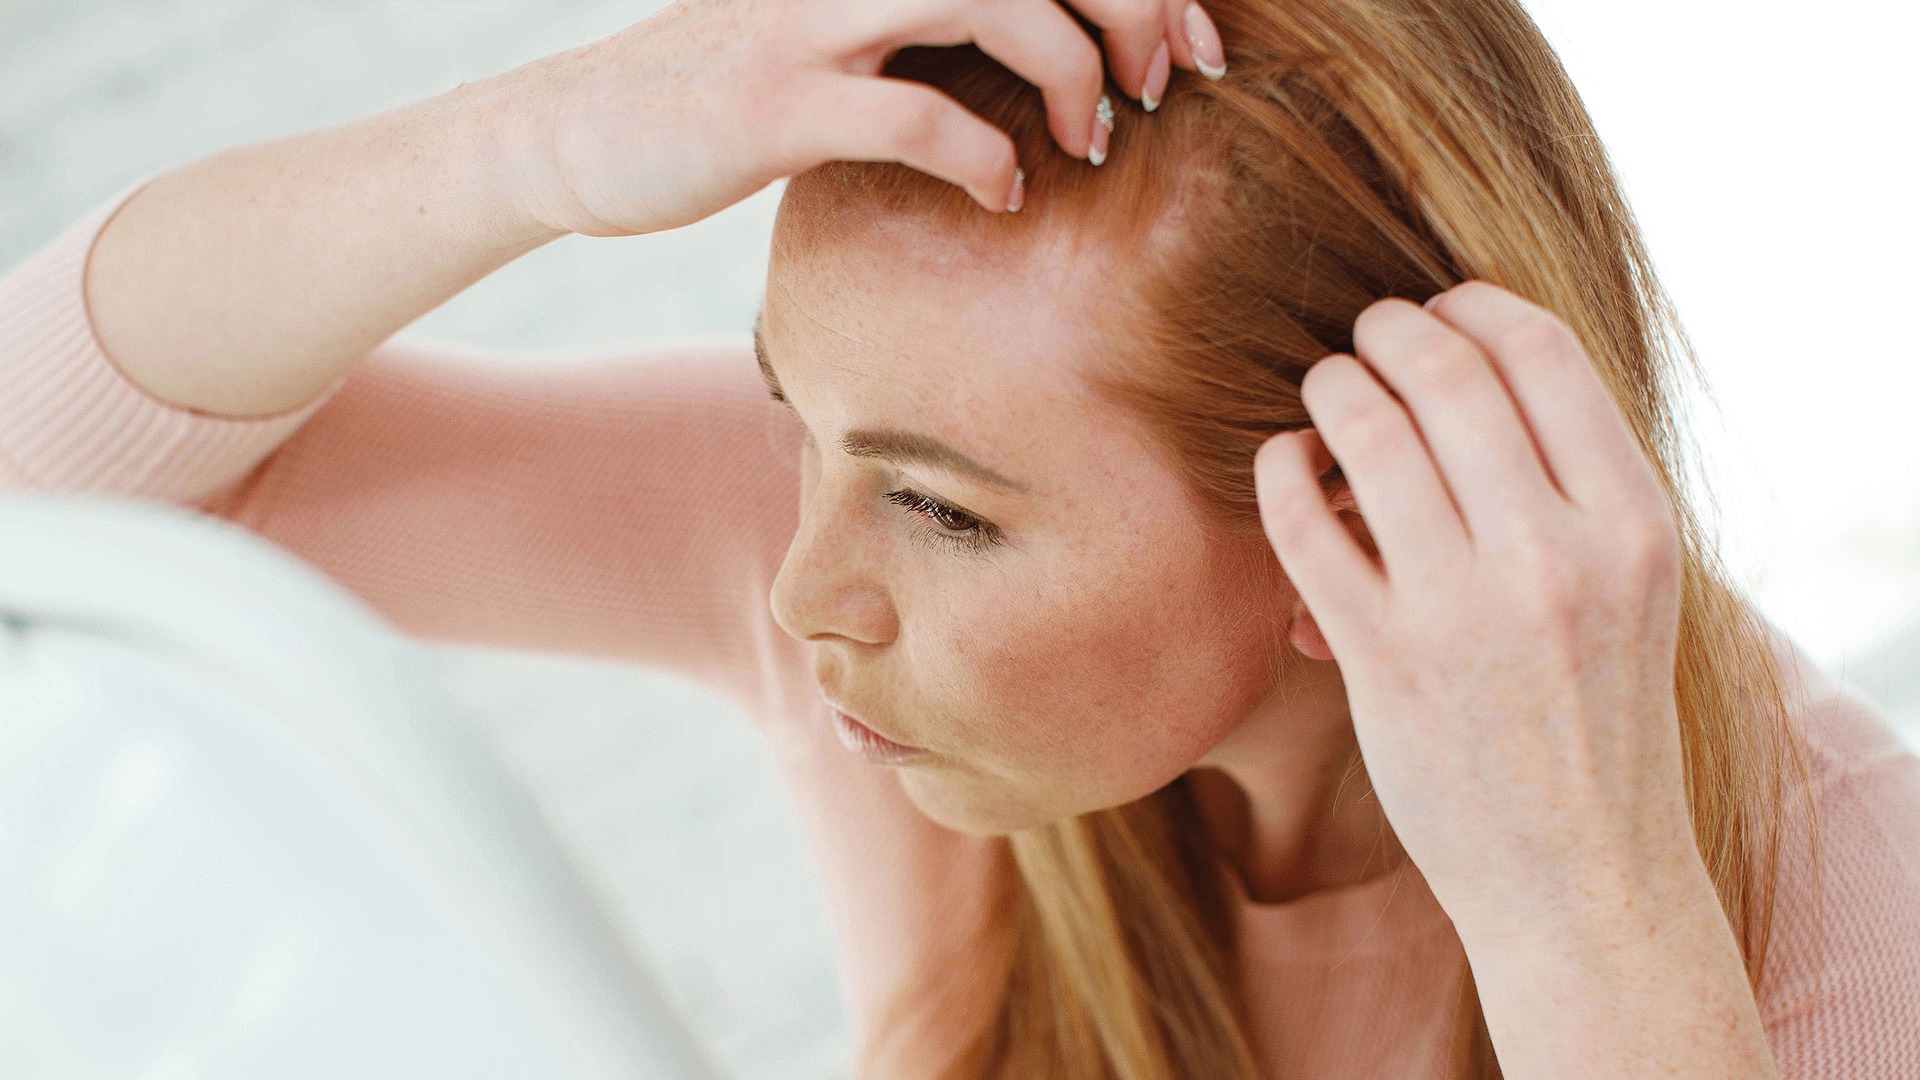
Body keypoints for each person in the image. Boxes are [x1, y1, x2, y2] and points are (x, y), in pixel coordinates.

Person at [2, 0, 1916, 1076]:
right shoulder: (848, 562)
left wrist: (1583, 915)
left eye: (935, 509)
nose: (798, 586)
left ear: (1347, 514)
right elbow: (46, 501)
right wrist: (541, 143)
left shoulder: (1832, 916)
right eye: (787, 415)